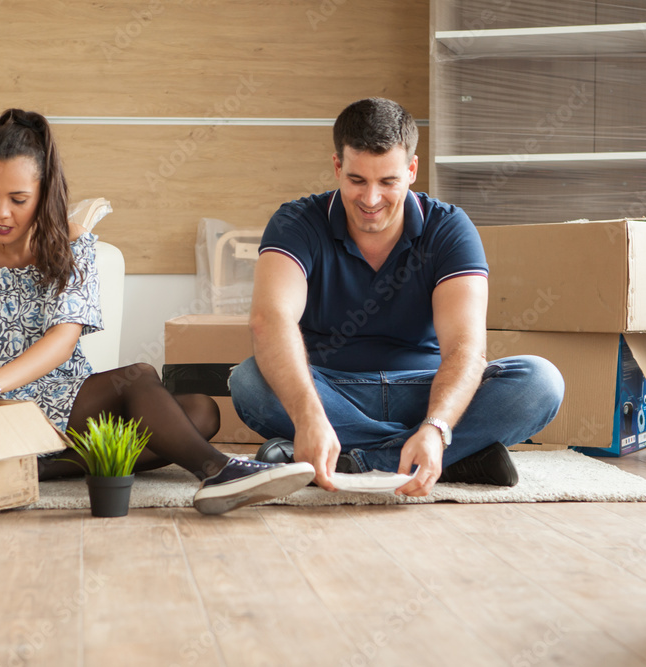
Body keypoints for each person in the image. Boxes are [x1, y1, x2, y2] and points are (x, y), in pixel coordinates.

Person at [0, 108, 314, 515]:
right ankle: (218, 472)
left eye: (18, 199)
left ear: (43, 193)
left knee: (199, 412)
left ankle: (51, 462)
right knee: (144, 377)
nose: (0, 213)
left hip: (66, 398)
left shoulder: (70, 243)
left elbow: (63, 340)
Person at [229, 97, 565, 496]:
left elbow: (464, 349)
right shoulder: (296, 222)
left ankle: (366, 461)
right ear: (338, 167)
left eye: (388, 182)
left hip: (424, 391)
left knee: (542, 381)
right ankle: (450, 459)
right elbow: (271, 321)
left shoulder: (450, 228)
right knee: (249, 380)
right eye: (357, 180)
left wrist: (436, 428)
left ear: (412, 170)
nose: (371, 200)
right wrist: (308, 416)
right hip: (331, 393)